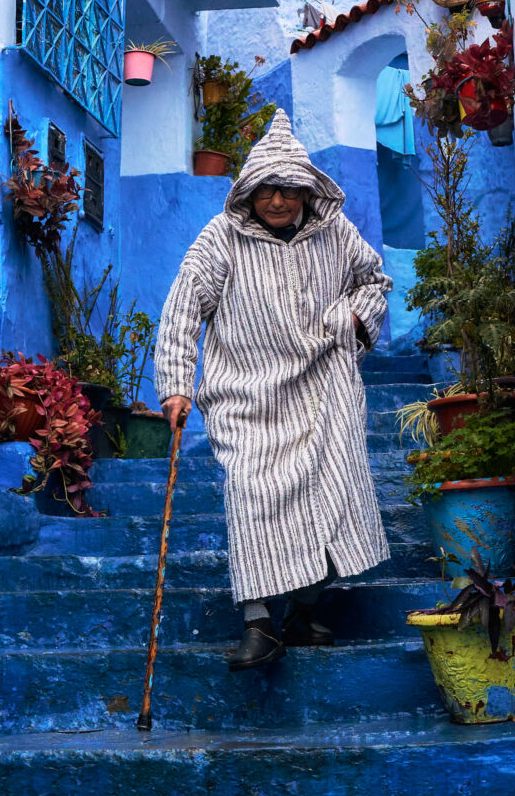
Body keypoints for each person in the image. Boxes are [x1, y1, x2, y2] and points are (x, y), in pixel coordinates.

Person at [154, 109, 393, 671]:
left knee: (328, 496)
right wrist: (174, 385)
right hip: (247, 395)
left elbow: (374, 280)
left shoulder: (336, 233)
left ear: (308, 191)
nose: (279, 201)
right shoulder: (221, 239)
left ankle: (302, 614)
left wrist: (355, 322)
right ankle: (258, 622)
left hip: (324, 386)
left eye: (289, 189)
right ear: (248, 195)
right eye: (266, 191)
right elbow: (185, 307)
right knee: (252, 496)